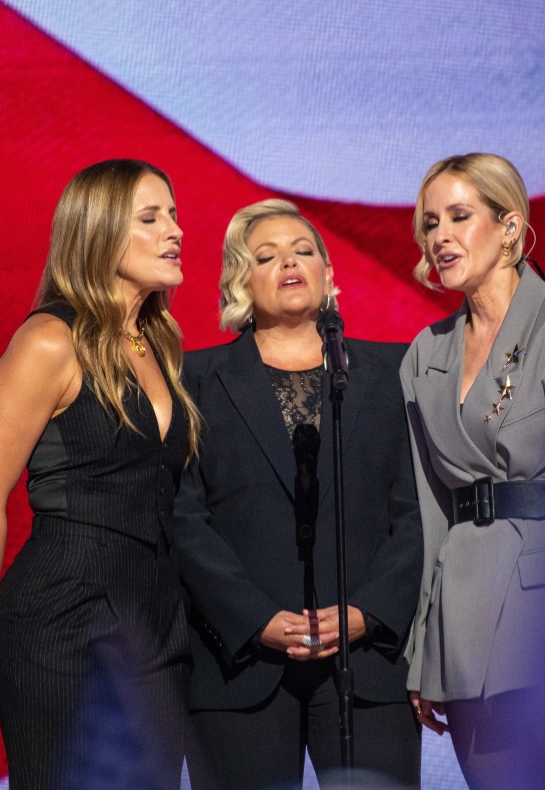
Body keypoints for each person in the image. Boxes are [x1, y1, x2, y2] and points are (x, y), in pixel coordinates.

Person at [0, 159, 201, 790]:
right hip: (61, 621)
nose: (174, 230)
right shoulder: (48, 341)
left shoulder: (158, 344)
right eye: (150, 218)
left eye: (173, 214)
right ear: (98, 234)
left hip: (156, 622)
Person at [174, 200, 424, 789]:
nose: (289, 261)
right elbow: (183, 515)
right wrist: (253, 618)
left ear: (331, 276)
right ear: (241, 282)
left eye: (304, 251)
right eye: (266, 256)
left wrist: (367, 612)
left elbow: (416, 511)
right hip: (240, 666)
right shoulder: (194, 379)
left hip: (366, 668)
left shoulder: (396, 371)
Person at [400, 153, 545, 789]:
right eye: (430, 222)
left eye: (460, 216)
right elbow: (429, 510)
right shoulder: (424, 355)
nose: (440, 235)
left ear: (510, 227)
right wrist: (424, 650)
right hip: (461, 625)